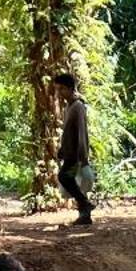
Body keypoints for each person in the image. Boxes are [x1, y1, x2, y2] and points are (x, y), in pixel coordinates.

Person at [55, 72, 94, 226]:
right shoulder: (69, 107)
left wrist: (81, 156)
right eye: (58, 89)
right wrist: (62, 149)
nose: (60, 93)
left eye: (62, 89)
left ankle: (85, 205)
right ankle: (85, 214)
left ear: (71, 89)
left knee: (65, 177)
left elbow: (81, 133)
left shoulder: (78, 107)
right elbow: (68, 133)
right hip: (70, 154)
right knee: (69, 180)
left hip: (76, 155)